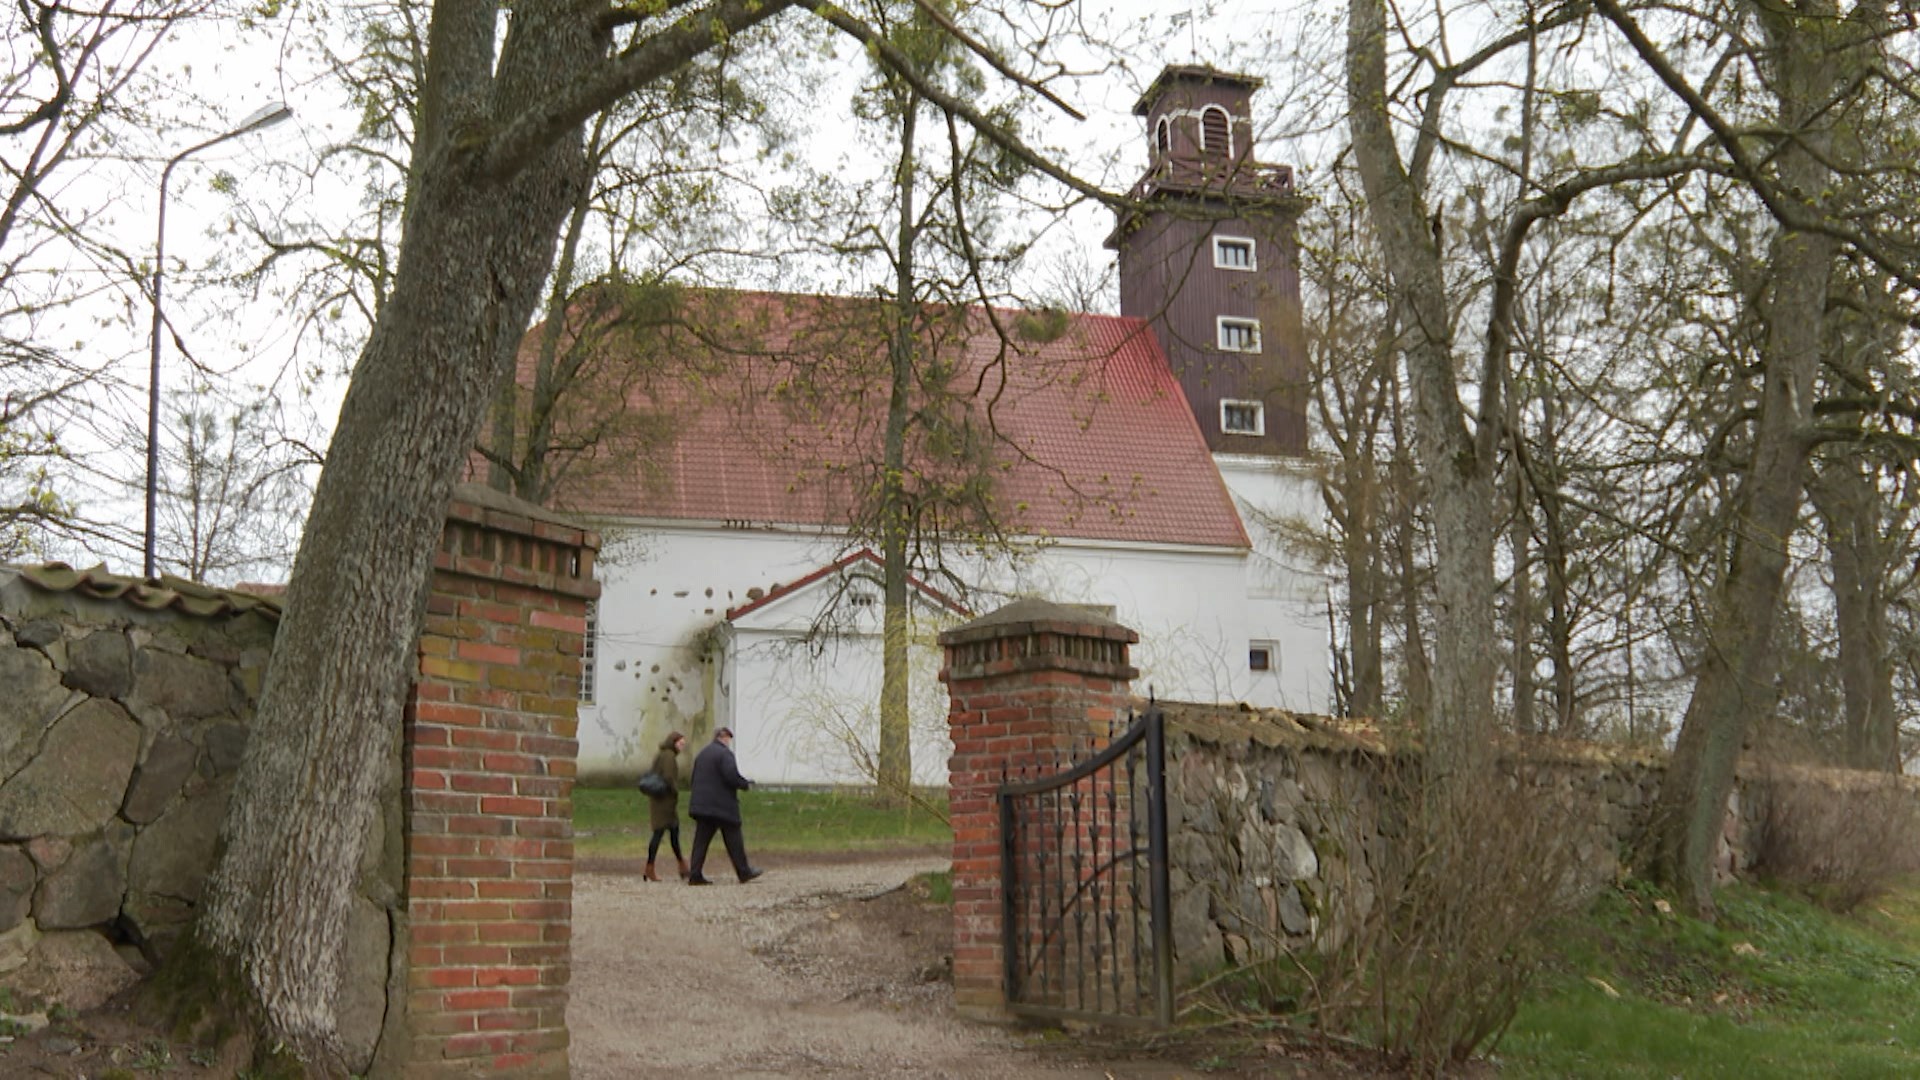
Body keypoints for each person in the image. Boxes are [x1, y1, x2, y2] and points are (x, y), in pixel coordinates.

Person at [686, 726, 762, 885]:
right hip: (722, 806)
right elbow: (731, 776)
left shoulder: (702, 754)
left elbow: (694, 779)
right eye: (729, 738)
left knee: (701, 841)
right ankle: (744, 871)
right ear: (724, 737)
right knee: (734, 838)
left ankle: (694, 873)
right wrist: (745, 784)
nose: (729, 741)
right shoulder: (725, 754)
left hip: (702, 805)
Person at [643, 731, 689, 882]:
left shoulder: (662, 754)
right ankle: (650, 868)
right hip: (664, 802)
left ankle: (682, 865)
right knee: (660, 834)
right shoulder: (669, 756)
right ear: (673, 742)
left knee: (673, 833)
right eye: (680, 743)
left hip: (660, 801)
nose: (682, 746)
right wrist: (675, 791)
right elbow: (669, 777)